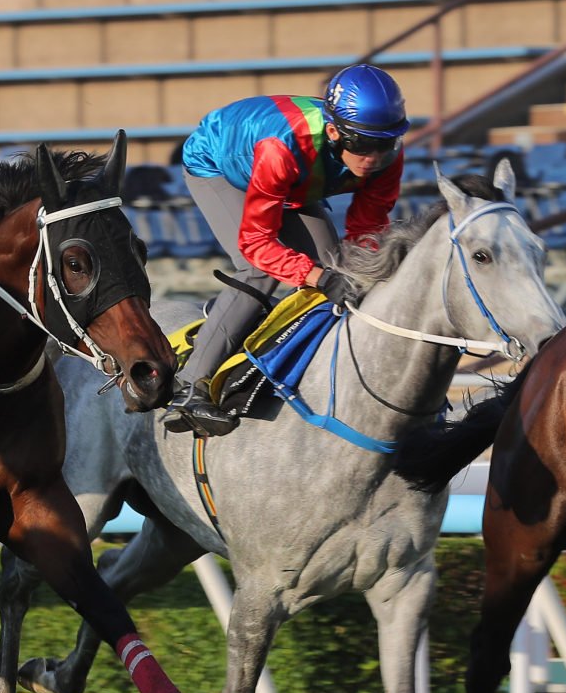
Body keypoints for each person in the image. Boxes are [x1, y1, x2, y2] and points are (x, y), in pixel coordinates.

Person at [160, 64, 408, 437]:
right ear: (334, 132)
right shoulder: (281, 149)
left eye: (384, 144)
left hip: (292, 179)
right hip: (220, 165)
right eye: (361, 144)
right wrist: (318, 278)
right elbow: (257, 244)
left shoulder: (389, 159)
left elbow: (365, 231)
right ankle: (190, 386)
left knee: (337, 268)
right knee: (258, 270)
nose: (372, 158)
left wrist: (348, 274)